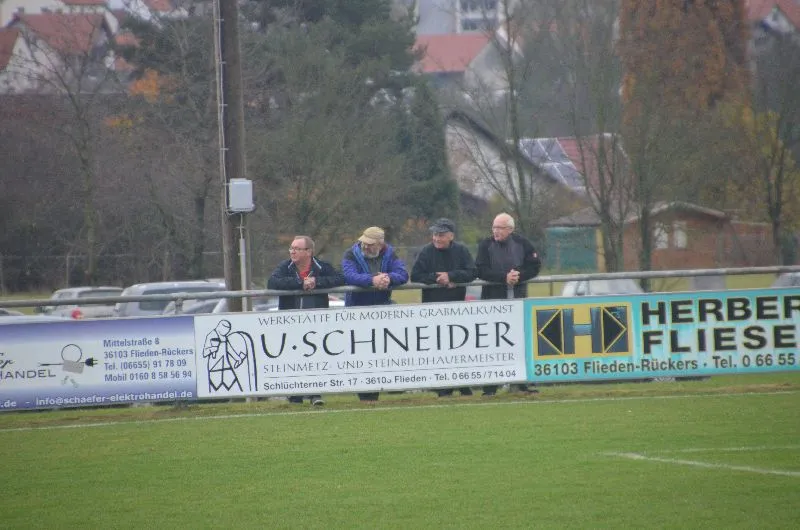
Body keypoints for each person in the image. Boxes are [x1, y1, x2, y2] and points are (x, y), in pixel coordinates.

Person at [268, 235, 345, 406]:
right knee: (293, 357)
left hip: (316, 322)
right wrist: (300, 282)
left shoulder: (321, 267)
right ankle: (294, 395)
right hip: (290, 322)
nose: (292, 251)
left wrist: (317, 282)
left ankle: (315, 394)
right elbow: (272, 282)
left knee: (315, 356)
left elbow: (340, 278)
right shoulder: (285, 267)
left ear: (309, 252)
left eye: (297, 248)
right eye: (291, 248)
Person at [475, 212, 542, 396]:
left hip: (518, 301)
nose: (496, 231)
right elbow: (480, 270)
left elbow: (535, 266)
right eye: (494, 227)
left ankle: (522, 384)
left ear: (510, 229)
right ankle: (490, 388)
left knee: (521, 341)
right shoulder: (485, 245)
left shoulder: (523, 243)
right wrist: (503, 278)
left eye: (500, 228)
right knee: (492, 344)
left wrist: (519, 276)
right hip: (492, 303)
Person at [342, 226, 409, 401]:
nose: (365, 246)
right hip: (357, 311)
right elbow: (349, 276)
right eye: (364, 242)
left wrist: (388, 278)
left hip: (382, 311)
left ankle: (384, 387)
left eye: (370, 244)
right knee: (361, 354)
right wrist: (372, 280)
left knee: (382, 351)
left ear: (380, 244)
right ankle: (365, 394)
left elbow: (403, 274)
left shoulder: (390, 254)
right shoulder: (350, 254)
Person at [410, 218, 475, 398]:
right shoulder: (426, 251)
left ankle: (462, 385)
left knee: (458, 348)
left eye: (441, 235)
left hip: (456, 309)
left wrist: (452, 276)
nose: (437, 238)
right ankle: (443, 387)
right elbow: (415, 275)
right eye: (435, 234)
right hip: (433, 310)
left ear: (451, 236)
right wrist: (437, 279)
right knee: (438, 348)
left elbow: (472, 272)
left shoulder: (461, 251)